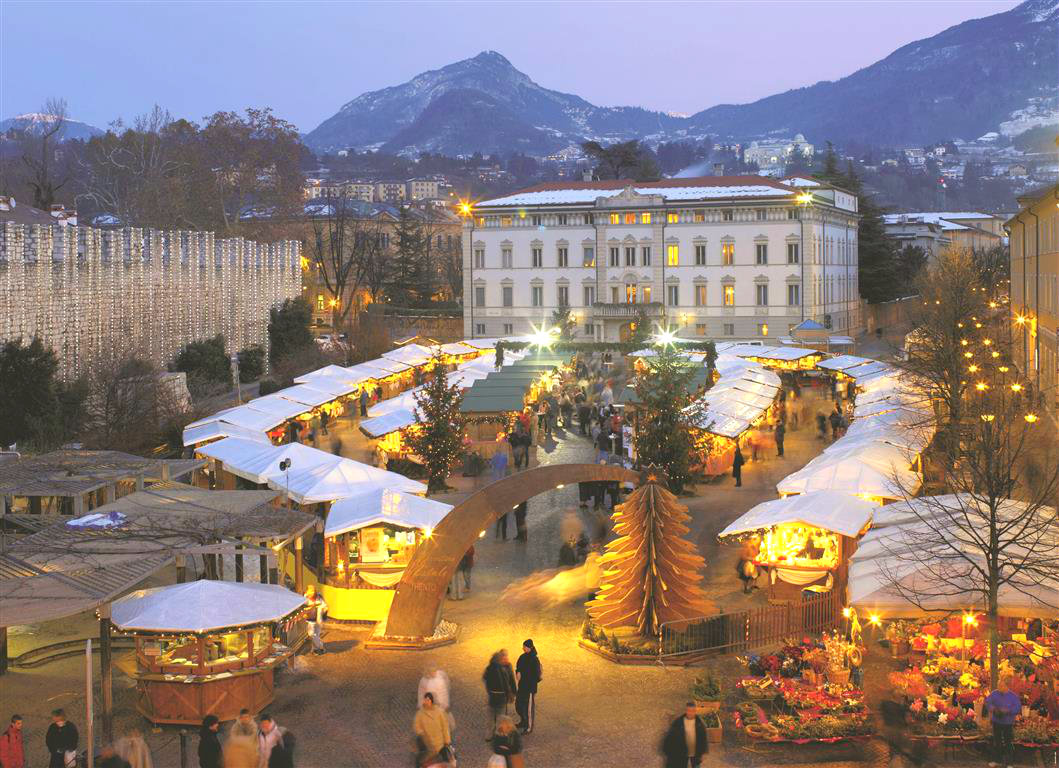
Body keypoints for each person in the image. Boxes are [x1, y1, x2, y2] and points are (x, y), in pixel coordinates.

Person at [984, 675, 1020, 768]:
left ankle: (1009, 763)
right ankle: (997, 760)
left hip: (1008, 723)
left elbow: (1017, 708)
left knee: (1008, 742)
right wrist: (992, 709)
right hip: (997, 722)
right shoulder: (994, 693)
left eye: (1001, 686)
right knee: (997, 741)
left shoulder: (1013, 697)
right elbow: (988, 702)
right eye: (998, 685)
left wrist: (1008, 711)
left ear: (1007, 686)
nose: (999, 687)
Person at [661, 702, 708, 768]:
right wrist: (668, 749)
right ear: (686, 711)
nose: (690, 713)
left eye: (692, 711)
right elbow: (672, 736)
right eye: (688, 710)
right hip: (683, 752)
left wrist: (703, 752)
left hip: (696, 752)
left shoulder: (699, 723)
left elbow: (703, 738)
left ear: (695, 711)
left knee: (696, 766)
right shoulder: (679, 722)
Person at [483, 650, 517, 738]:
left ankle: (491, 734)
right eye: (504, 657)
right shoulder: (498, 669)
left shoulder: (492, 667)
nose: (506, 659)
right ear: (499, 660)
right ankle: (498, 733)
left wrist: (513, 692)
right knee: (499, 716)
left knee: (494, 715)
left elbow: (485, 679)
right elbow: (505, 683)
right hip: (499, 696)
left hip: (495, 696)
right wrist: (509, 694)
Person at [413, 692, 452, 767]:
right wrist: (421, 733)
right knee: (422, 762)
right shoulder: (420, 713)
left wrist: (447, 740)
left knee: (443, 763)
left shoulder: (439, 712)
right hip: (427, 743)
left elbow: (445, 727)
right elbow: (416, 725)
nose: (426, 701)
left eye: (428, 699)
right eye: (425, 699)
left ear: (431, 700)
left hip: (440, 743)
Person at [514, 640, 542, 734]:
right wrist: (517, 672)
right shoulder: (522, 657)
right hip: (521, 686)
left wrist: (526, 678)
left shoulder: (535, 660)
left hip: (529, 688)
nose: (523, 648)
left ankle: (529, 727)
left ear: (529, 648)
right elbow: (518, 667)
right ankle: (523, 721)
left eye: (524, 647)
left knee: (528, 709)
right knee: (519, 705)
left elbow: (537, 676)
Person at [303, 585, 327, 654]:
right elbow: (303, 608)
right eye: (310, 591)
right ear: (307, 591)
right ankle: (320, 646)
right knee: (311, 634)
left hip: (318, 620)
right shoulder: (305, 598)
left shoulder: (319, 597)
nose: (311, 593)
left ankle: (316, 649)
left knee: (317, 634)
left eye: (313, 591)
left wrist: (322, 609)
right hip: (309, 620)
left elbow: (324, 606)